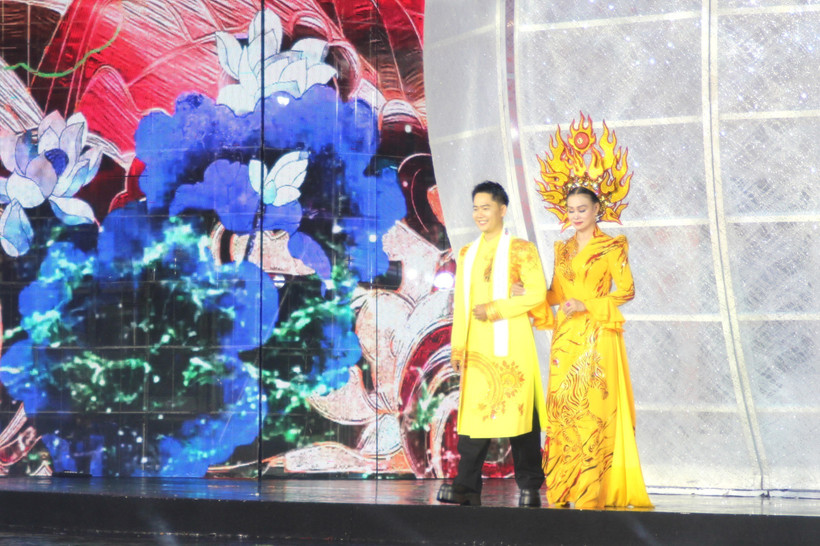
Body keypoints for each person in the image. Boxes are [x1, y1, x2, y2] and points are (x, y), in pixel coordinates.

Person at [521, 115, 652, 509]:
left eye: (582, 208)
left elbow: (627, 290)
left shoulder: (613, 248)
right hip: (566, 339)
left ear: (598, 208)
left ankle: (594, 490)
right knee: (563, 409)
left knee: (591, 409)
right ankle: (566, 487)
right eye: (571, 209)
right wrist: (528, 296)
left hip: (597, 336)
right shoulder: (561, 250)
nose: (576, 214)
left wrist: (589, 304)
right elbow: (556, 294)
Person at [436, 180, 551, 508]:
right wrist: (458, 347)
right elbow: (461, 304)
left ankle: (529, 485)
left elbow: (536, 294)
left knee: (521, 418)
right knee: (474, 418)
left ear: (502, 210)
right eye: (475, 207)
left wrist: (495, 308)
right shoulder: (467, 253)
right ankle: (466, 486)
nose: (479, 213)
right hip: (478, 347)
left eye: (486, 207)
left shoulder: (521, 250)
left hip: (512, 344)